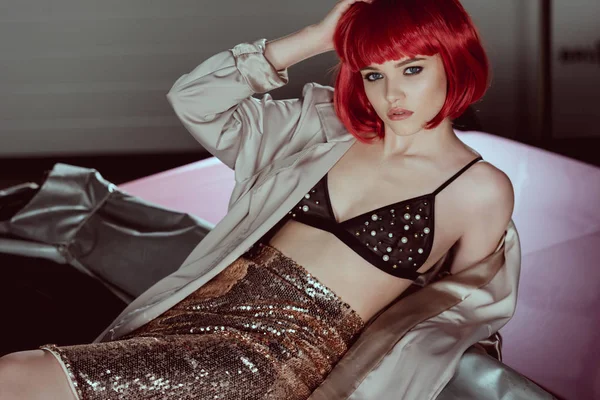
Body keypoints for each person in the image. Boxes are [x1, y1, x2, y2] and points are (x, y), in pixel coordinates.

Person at [0, 0, 516, 399]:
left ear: (453, 60)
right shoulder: (321, 130)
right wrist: (313, 38)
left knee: (16, 376)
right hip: (196, 313)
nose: (392, 95)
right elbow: (194, 100)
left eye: (412, 69)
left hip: (271, 358)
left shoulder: (479, 189)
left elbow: (463, 314)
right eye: (373, 74)